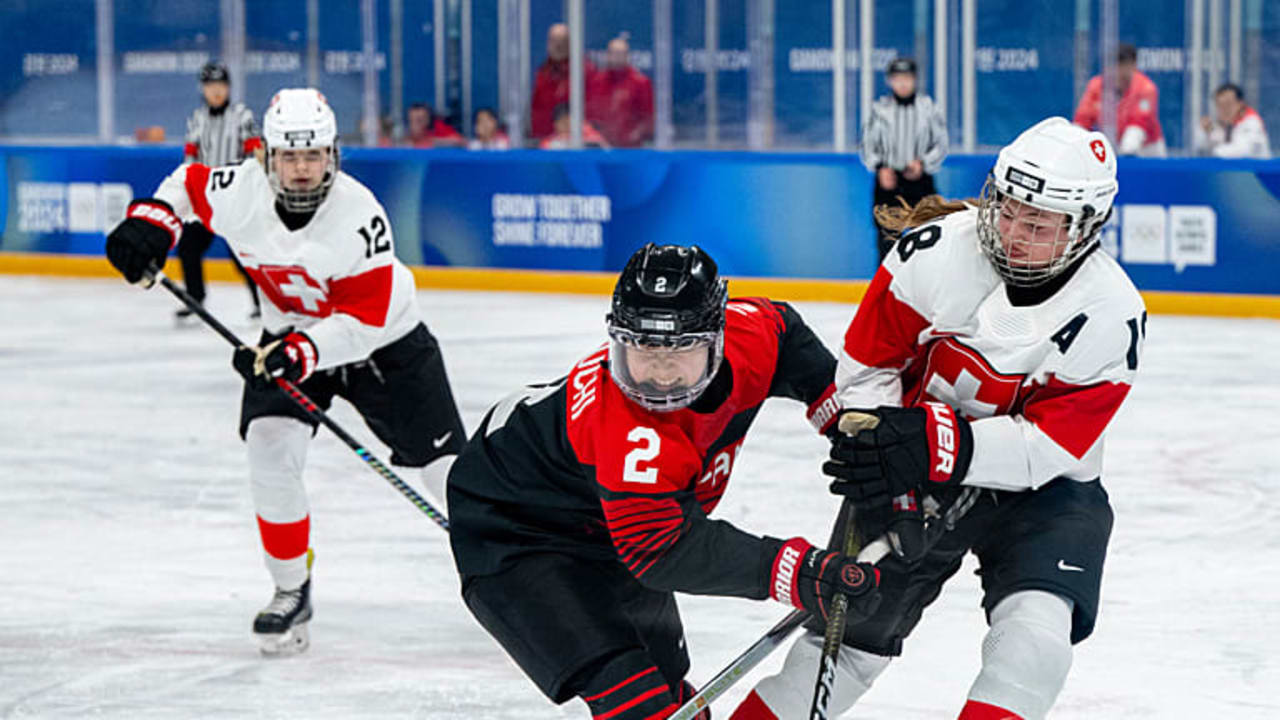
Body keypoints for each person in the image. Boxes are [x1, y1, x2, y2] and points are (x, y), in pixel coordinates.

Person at [731, 117, 1146, 720]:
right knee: (842, 647)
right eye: (1006, 208)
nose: (1011, 232)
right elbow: (865, 373)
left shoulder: (1112, 314)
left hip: (1044, 493)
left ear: (1084, 228)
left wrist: (936, 443)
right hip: (909, 469)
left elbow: (1049, 446)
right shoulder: (931, 253)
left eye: (1036, 223)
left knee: (1034, 641)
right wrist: (887, 465)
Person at [448, 243, 883, 719]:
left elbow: (786, 334)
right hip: (516, 534)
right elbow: (659, 548)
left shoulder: (750, 333)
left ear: (716, 339)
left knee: (679, 700)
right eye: (643, 350)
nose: (658, 376)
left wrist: (843, 423)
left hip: (607, 519)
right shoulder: (628, 431)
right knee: (638, 702)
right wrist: (797, 571)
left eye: (679, 352)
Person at [103, 88, 466, 656]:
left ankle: (528, 571)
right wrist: (152, 224)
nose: (301, 169)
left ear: (333, 155)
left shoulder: (359, 215)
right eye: (289, 157)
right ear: (265, 156)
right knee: (269, 445)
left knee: (447, 475)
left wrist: (300, 351)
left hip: (384, 346)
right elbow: (185, 185)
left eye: (313, 155)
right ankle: (291, 587)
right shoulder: (240, 190)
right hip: (290, 339)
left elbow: (364, 321)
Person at [178, 61, 261, 322]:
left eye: (221, 85)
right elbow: (190, 159)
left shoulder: (242, 116)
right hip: (205, 198)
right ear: (202, 89)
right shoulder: (197, 118)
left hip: (235, 196)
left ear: (228, 88)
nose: (216, 91)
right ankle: (195, 299)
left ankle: (263, 303)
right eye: (210, 85)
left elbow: (253, 155)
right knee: (188, 248)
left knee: (242, 255)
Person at [861, 57, 949, 259]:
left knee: (930, 237)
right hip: (888, 184)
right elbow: (867, 143)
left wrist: (923, 163)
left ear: (915, 80)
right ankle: (888, 289)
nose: (902, 83)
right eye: (897, 78)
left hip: (920, 182)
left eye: (907, 78)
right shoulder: (879, 110)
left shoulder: (928, 109)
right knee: (887, 240)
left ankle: (925, 286)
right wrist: (880, 167)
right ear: (889, 81)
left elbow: (941, 143)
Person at [1073, 43, 1166, 157]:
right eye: (1116, 65)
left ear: (1133, 66)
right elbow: (1082, 120)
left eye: (1124, 65)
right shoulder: (1096, 86)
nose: (1119, 70)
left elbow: (1138, 125)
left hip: (1148, 149)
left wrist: (1125, 154)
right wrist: (1075, 147)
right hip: (1113, 146)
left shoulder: (1146, 88)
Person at [531, 23, 598, 139]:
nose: (558, 45)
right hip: (546, 141)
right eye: (553, 40)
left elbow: (593, 109)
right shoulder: (543, 72)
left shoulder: (584, 71)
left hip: (576, 139)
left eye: (563, 40)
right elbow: (537, 108)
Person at [586, 35, 654, 147]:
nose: (617, 57)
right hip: (601, 149)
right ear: (607, 55)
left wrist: (633, 136)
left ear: (627, 56)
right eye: (613, 53)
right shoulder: (596, 82)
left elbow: (648, 119)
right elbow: (589, 115)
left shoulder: (640, 83)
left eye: (621, 53)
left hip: (630, 150)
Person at [1194, 82, 1271, 159]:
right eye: (1219, 105)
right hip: (1232, 170)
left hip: (1254, 170)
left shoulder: (1252, 122)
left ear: (1240, 104)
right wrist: (1205, 133)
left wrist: (1213, 151)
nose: (1224, 109)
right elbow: (1200, 149)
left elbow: (1242, 151)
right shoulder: (1220, 125)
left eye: (1228, 104)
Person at [539, 102, 608, 149]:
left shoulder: (593, 138)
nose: (565, 124)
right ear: (555, 124)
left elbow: (607, 157)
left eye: (568, 120)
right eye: (561, 121)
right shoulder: (549, 143)